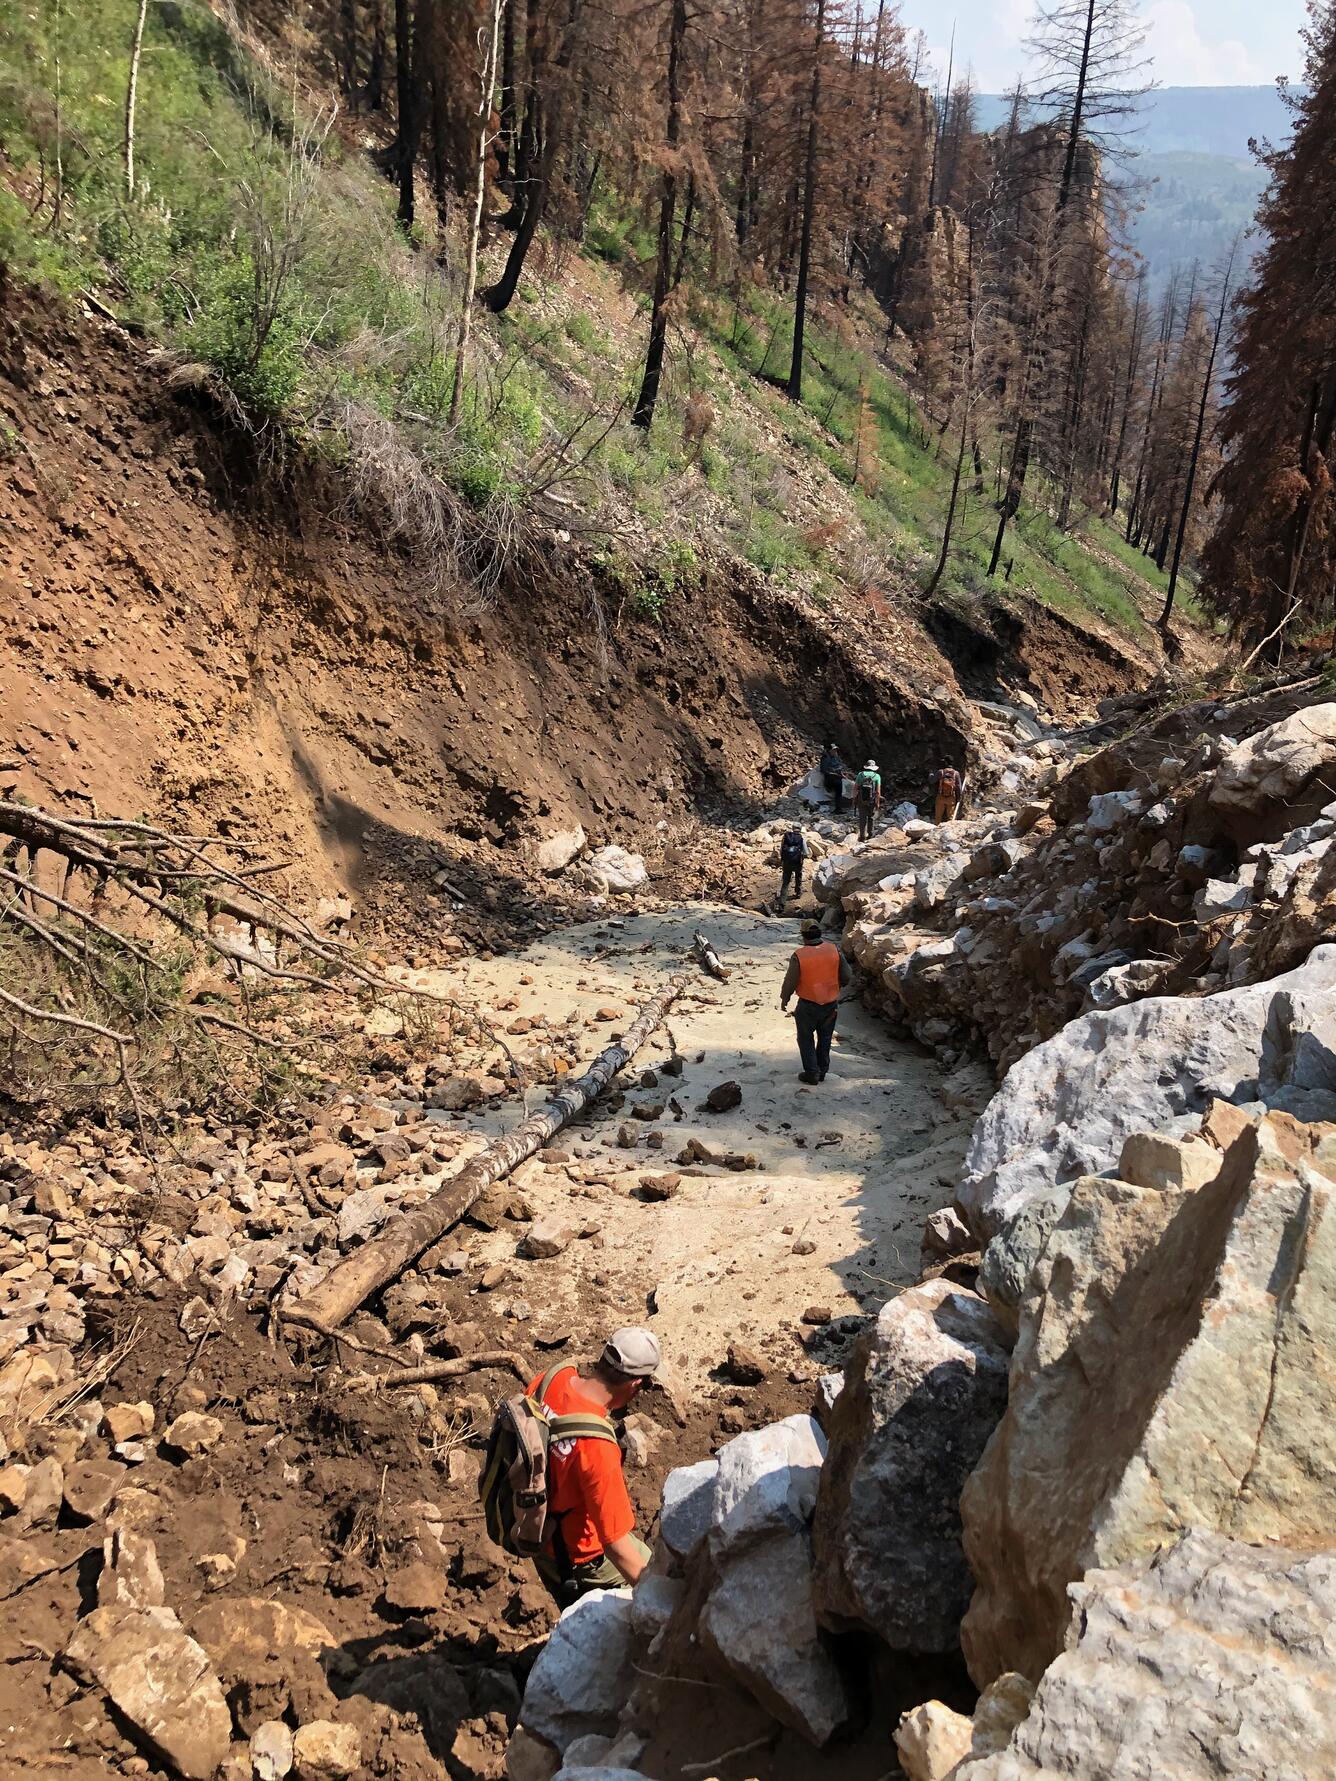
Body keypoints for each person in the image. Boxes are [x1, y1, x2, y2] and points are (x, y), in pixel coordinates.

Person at [525, 1328, 660, 1602]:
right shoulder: (597, 1447)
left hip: (533, 1528)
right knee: (654, 1574)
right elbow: (616, 1547)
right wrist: (660, 1601)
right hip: (577, 1556)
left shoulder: (551, 1379)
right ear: (635, 1385)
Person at [780, 918, 853, 1085]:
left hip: (808, 1005)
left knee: (805, 1038)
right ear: (820, 933)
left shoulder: (799, 955)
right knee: (825, 1037)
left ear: (804, 936)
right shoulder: (834, 950)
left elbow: (790, 980)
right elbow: (847, 975)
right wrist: (838, 986)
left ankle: (812, 1072)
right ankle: (822, 1071)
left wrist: (785, 998)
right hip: (830, 1004)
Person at [778, 827, 808, 907]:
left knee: (785, 882)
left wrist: (783, 860)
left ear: (793, 828)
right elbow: (806, 853)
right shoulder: (801, 838)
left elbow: (781, 850)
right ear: (800, 830)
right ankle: (798, 892)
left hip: (787, 863)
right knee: (798, 876)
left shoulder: (786, 837)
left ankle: (782, 902)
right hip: (797, 863)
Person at [854, 760, 882, 842]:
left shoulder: (860, 774)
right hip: (872, 800)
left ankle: (862, 836)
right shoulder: (877, 776)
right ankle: (870, 834)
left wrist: (854, 799)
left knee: (862, 818)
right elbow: (878, 791)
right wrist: (877, 802)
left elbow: (855, 788)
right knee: (871, 817)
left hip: (861, 799)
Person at [819, 742, 846, 816]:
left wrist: (841, 774)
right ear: (830, 750)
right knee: (838, 790)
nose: (835, 752)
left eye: (836, 750)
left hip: (837, 777)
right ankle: (837, 808)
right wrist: (835, 774)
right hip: (830, 778)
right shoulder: (825, 758)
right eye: (834, 750)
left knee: (839, 792)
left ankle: (838, 808)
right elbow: (824, 770)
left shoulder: (835, 758)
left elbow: (839, 767)